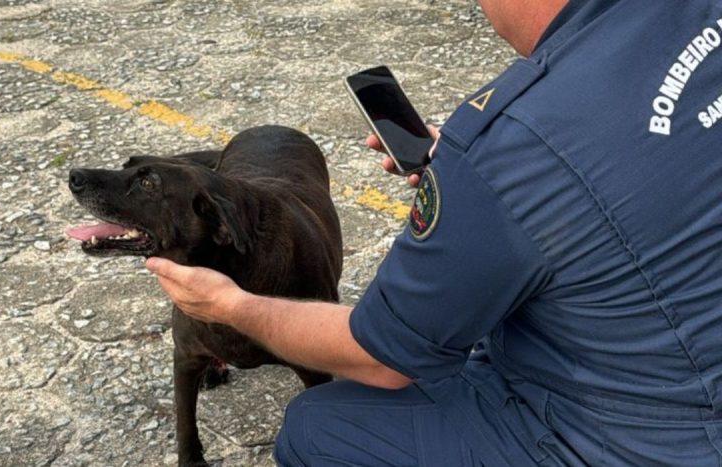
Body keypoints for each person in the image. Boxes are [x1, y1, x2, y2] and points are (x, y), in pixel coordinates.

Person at [146, 0, 722, 464]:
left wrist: (234, 308)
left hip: (648, 438)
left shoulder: (509, 143)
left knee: (316, 426)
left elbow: (383, 356)